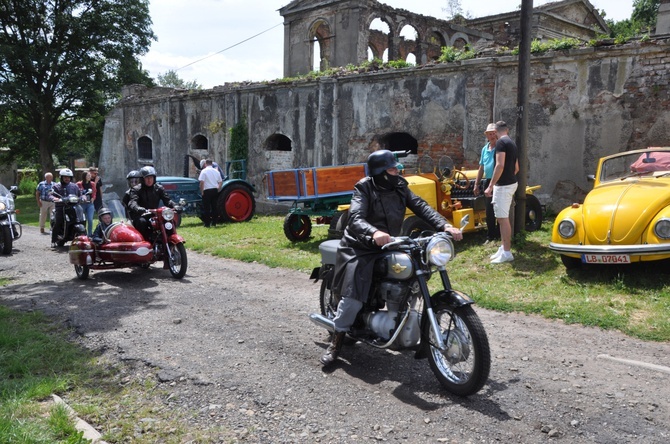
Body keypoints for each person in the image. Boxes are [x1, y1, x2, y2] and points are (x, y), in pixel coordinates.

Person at [320, 149, 464, 366]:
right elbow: (356, 218)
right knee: (353, 295)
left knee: (414, 276)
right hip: (360, 246)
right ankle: (337, 338)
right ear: (380, 172)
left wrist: (444, 225)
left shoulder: (399, 186)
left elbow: (421, 206)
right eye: (392, 168)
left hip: (391, 243)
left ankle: (408, 325)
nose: (397, 171)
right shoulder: (364, 187)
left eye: (396, 168)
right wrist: (373, 233)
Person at [484, 121, 519, 264]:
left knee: (503, 219)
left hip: (503, 186)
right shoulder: (511, 143)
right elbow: (516, 168)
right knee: (501, 217)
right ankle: (503, 246)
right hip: (510, 183)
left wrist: (491, 185)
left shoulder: (500, 143)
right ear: (507, 130)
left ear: (497, 131)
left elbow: (499, 165)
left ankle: (507, 252)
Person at [127, 166, 178, 241]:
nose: (149, 180)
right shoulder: (136, 189)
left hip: (155, 214)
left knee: (169, 220)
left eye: (151, 177)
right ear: (142, 179)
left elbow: (167, 200)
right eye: (147, 178)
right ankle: (144, 242)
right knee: (142, 222)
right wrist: (138, 208)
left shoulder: (158, 188)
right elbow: (132, 202)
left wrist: (175, 206)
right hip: (141, 214)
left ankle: (170, 239)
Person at [474, 123, 499, 244]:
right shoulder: (485, 149)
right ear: (487, 135)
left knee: (499, 208)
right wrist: (476, 184)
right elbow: (481, 168)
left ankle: (500, 234)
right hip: (487, 181)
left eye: (494, 133)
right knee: (489, 210)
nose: (492, 135)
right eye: (490, 134)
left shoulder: (500, 147)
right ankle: (491, 235)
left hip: (498, 180)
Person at [49, 168, 81, 247]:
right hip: (61, 207)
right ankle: (54, 240)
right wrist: (54, 198)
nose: (67, 179)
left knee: (81, 219)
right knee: (58, 221)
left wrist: (84, 197)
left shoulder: (74, 186)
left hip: (74, 207)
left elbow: (80, 194)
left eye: (69, 177)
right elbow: (50, 194)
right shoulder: (56, 186)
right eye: (65, 177)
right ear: (61, 177)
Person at [198, 159, 222, 227]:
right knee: (214, 207)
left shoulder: (204, 171)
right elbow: (220, 181)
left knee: (207, 208)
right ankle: (214, 223)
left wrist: (202, 191)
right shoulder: (216, 171)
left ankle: (207, 223)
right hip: (214, 190)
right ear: (212, 163)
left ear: (205, 163)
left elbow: (202, 182)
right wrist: (218, 188)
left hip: (207, 191)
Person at [76, 171, 96, 236]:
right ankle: (82, 232)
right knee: (81, 219)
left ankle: (90, 234)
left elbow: (94, 193)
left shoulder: (92, 184)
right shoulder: (79, 184)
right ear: (84, 176)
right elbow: (77, 193)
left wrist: (93, 198)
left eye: (90, 176)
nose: (90, 177)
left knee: (90, 219)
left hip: (90, 204)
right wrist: (81, 197)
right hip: (81, 204)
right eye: (88, 176)